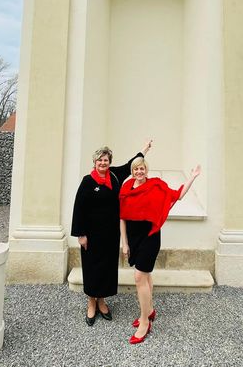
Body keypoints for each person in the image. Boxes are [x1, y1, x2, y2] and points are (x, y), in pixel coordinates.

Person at [120, 158, 201, 344]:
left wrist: (192, 177)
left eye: (142, 168)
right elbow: (122, 217)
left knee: (139, 277)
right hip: (133, 239)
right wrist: (124, 243)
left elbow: (178, 195)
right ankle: (149, 310)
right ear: (132, 171)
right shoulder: (126, 188)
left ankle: (144, 322)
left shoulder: (155, 186)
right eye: (136, 169)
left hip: (150, 237)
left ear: (146, 170)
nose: (139, 172)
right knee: (146, 275)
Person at [71, 141, 152, 326]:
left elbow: (131, 164)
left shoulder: (115, 175)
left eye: (106, 160)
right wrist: (80, 234)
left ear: (109, 162)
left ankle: (102, 300)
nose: (103, 163)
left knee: (106, 268)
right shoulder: (87, 181)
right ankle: (91, 303)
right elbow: (79, 208)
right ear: (95, 162)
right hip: (91, 235)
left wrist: (144, 150)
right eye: (100, 160)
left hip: (110, 234)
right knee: (92, 267)